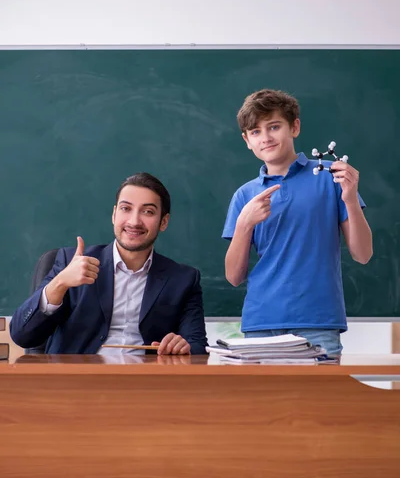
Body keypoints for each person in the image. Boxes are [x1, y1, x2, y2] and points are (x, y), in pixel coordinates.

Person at [222, 89, 373, 355]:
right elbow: (234, 276)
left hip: (318, 323)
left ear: (295, 127)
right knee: (264, 399)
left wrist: (349, 198)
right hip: (261, 324)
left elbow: (363, 254)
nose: (266, 138)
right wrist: (244, 224)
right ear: (246, 140)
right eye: (255, 132)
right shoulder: (244, 195)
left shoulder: (331, 179)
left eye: (274, 126)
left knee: (318, 399)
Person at [11, 173, 207, 356]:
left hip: (146, 384)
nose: (134, 221)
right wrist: (60, 283)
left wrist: (183, 346)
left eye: (147, 211)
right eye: (126, 208)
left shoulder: (183, 279)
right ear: (114, 215)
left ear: (163, 222)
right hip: (77, 383)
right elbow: (22, 336)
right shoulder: (71, 262)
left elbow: (197, 345)